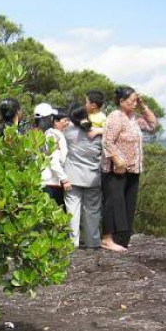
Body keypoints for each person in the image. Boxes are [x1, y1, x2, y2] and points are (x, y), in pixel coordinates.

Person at [100, 86, 158, 251]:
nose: (134, 103)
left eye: (135, 100)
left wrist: (143, 105)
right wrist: (118, 161)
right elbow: (107, 141)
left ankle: (121, 239)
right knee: (112, 203)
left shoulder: (134, 118)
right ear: (121, 101)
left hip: (133, 169)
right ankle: (107, 238)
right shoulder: (115, 117)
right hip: (116, 170)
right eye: (132, 101)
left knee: (127, 205)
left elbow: (153, 125)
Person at [64, 104, 103, 248]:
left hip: (72, 177)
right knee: (92, 212)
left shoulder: (67, 132)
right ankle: (93, 241)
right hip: (93, 178)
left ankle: (72, 242)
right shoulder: (97, 134)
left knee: (72, 211)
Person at [35, 103, 71, 207]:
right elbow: (53, 160)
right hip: (52, 182)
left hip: (39, 181)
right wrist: (64, 179)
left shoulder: (35, 134)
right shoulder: (54, 135)